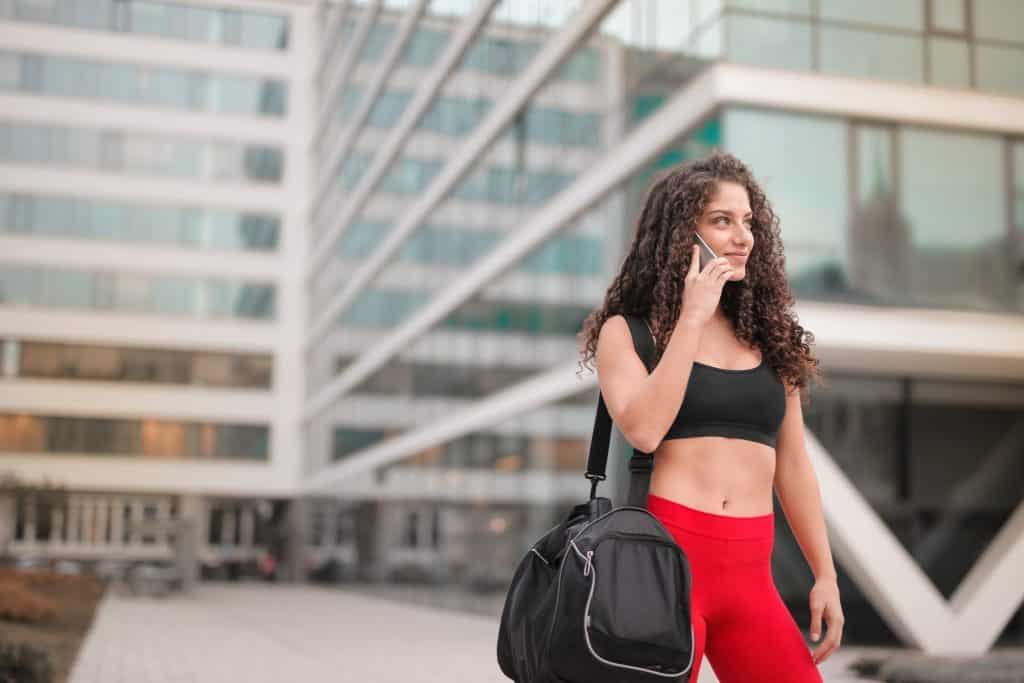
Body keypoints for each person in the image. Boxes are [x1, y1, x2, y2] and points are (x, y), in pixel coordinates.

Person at [577, 151, 844, 682]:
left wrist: (826, 575)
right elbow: (644, 428)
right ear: (681, 236)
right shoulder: (627, 334)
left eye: (748, 222)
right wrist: (692, 318)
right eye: (721, 221)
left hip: (751, 576)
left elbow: (793, 466)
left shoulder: (772, 340)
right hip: (666, 571)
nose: (742, 236)